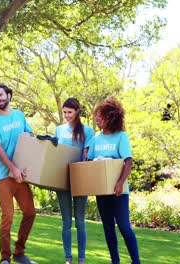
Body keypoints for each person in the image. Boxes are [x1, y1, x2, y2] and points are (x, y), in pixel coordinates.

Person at [0, 84, 37, 264]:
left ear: (8, 95)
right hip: (4, 174)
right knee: (8, 215)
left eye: (0, 95)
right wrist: (13, 169)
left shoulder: (19, 116)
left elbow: (29, 137)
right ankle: (4, 257)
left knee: (30, 212)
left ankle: (19, 252)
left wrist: (26, 167)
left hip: (21, 174)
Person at [85, 96, 141, 264]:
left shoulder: (121, 136)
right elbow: (89, 161)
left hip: (119, 191)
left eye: (100, 117)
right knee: (108, 228)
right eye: (96, 117)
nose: (97, 121)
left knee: (124, 226)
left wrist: (120, 183)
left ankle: (136, 261)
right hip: (102, 192)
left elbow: (128, 161)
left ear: (110, 117)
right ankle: (114, 261)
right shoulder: (96, 138)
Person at [54, 98, 94, 264]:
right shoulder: (59, 130)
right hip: (61, 179)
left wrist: (80, 169)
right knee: (65, 222)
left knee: (79, 221)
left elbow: (86, 154)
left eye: (69, 112)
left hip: (79, 178)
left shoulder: (88, 130)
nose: (66, 115)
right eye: (64, 112)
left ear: (77, 111)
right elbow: (55, 152)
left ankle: (81, 258)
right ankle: (68, 258)